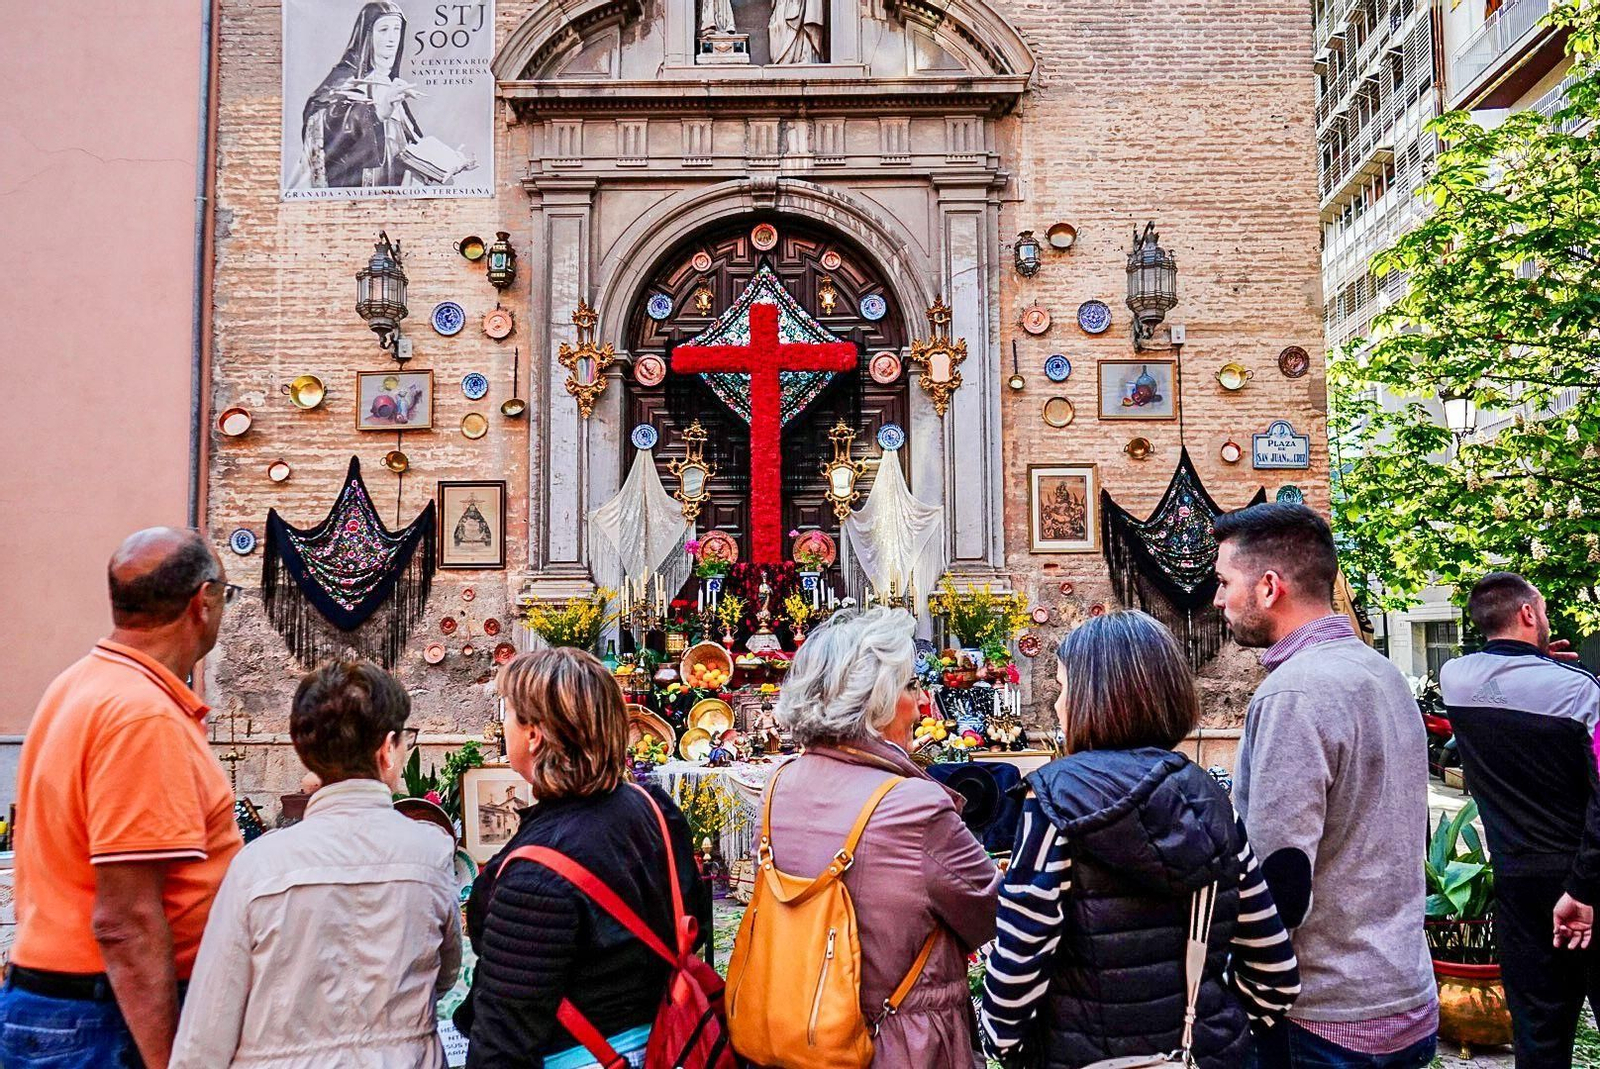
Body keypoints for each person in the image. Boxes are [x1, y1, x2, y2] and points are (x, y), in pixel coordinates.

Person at [980, 610, 1301, 1068]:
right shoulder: (1213, 802)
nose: (1057, 705)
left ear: (1095, 698)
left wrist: (1003, 1048)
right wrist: (1211, 1031)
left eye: (1064, 687)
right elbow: (1275, 976)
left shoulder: (1054, 803)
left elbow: (1018, 964)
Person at [0, 528, 242, 1068]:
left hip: (72, 1004)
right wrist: (167, 1061)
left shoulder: (79, 684)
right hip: (102, 1015)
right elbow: (125, 919)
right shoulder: (141, 716)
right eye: (228, 594)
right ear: (202, 602)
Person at [1213, 503, 1438, 1068]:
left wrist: (1237, 990)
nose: (1218, 600)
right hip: (1405, 995)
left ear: (1269, 587)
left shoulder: (1294, 693)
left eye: (1223, 582)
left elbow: (1278, 879)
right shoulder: (1383, 674)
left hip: (1323, 1016)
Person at [170, 661, 462, 1067]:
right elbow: (445, 974)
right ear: (387, 749)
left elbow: (209, 1026)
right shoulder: (430, 855)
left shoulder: (258, 867)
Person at [764, 607, 1001, 1067]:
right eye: (911, 685)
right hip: (896, 1041)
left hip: (797, 1032)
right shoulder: (915, 806)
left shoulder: (779, 786)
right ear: (876, 698)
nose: (923, 703)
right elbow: (989, 913)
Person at [455, 647, 711, 1068]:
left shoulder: (536, 874)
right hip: (670, 1042)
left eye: (508, 714)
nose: (504, 727)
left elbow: (503, 1034)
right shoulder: (653, 809)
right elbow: (692, 922)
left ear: (534, 734)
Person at [1439, 572, 1600, 1067]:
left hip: (1519, 881)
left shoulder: (1455, 679)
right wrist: (1584, 888)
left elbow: (1508, 689)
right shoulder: (1584, 694)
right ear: (1529, 614)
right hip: (1585, 882)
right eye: (1545, 611)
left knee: (1537, 1033)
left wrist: (1539, 664)